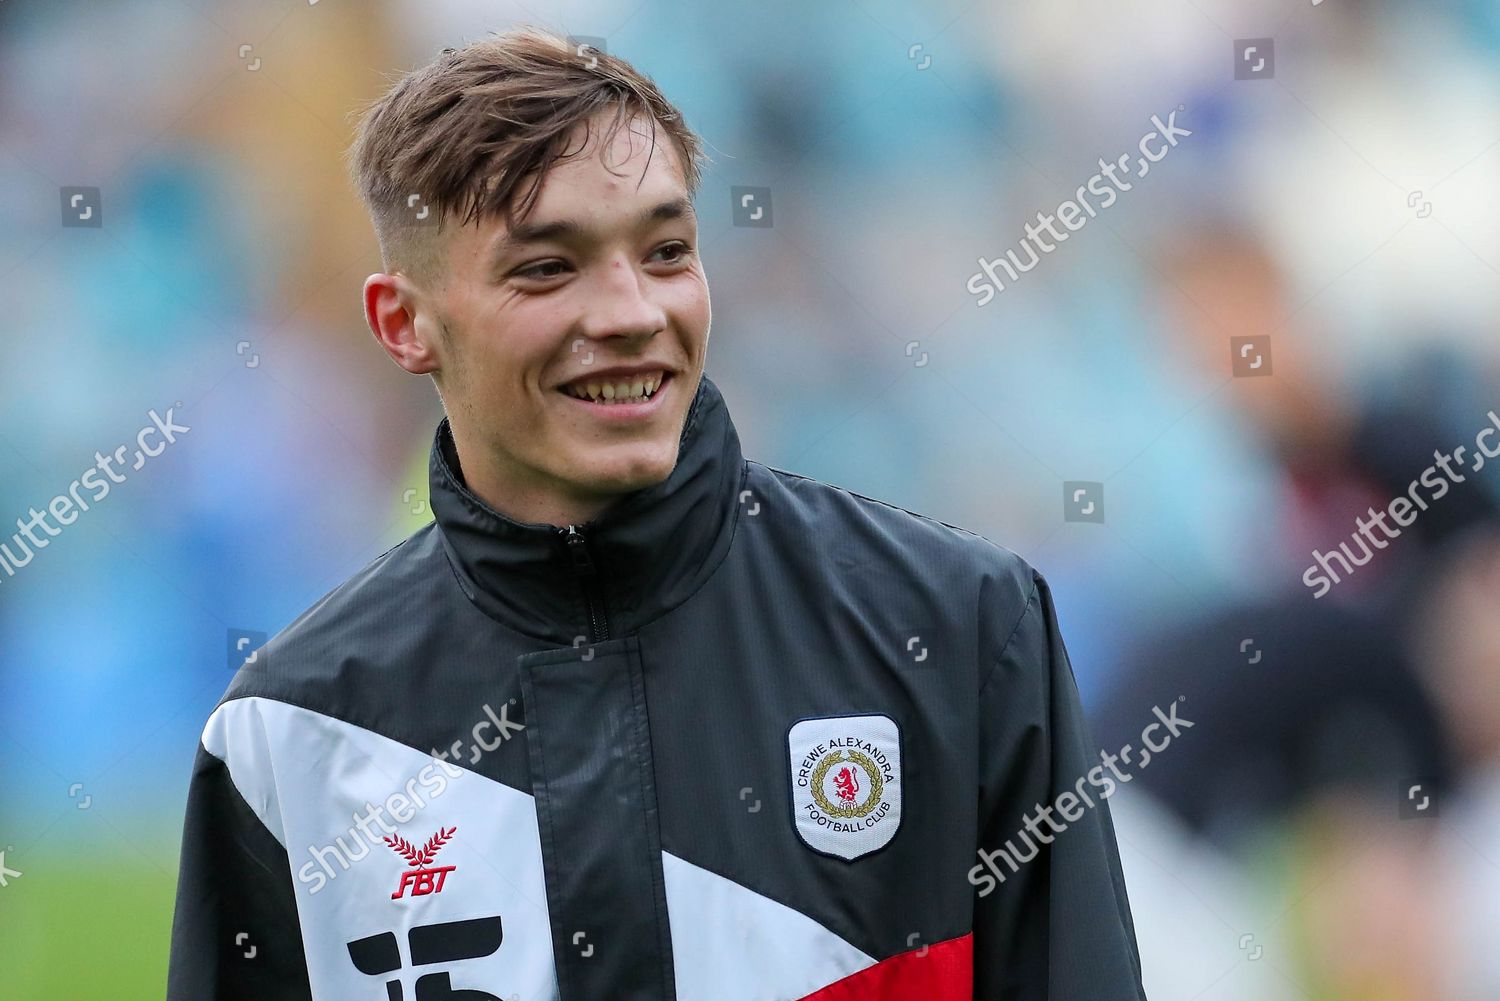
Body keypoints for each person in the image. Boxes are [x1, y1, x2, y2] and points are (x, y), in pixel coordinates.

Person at [166, 25, 1146, 1001]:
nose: (633, 310)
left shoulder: (959, 624)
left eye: (667, 250)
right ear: (403, 322)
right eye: (548, 267)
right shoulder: (290, 731)